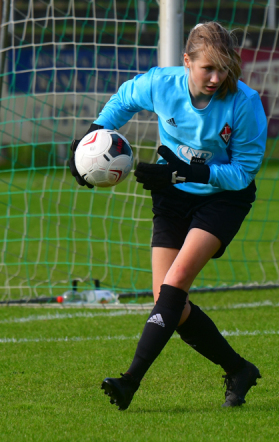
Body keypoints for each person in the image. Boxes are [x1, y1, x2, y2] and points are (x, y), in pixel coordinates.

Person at [68, 22, 268, 411]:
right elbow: (126, 97)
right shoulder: (162, 83)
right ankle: (238, 369)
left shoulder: (245, 104)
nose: (216, 77)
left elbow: (243, 173)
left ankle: (129, 382)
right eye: (207, 68)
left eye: (224, 68)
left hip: (223, 199)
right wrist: (91, 138)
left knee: (175, 284)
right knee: (166, 302)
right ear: (186, 61)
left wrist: (187, 172)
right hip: (172, 197)